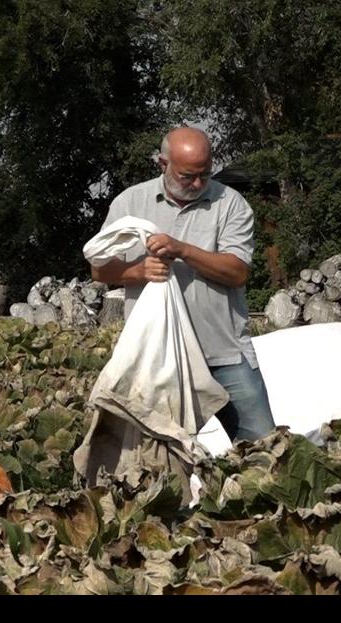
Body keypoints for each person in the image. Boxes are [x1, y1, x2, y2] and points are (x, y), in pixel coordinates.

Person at [90, 125, 277, 442]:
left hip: (225, 355)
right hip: (159, 361)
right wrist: (138, 271)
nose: (198, 183)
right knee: (160, 457)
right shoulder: (130, 203)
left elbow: (237, 272)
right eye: (187, 176)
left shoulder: (230, 204)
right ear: (163, 164)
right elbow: (99, 270)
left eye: (205, 174)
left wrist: (182, 250)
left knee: (262, 446)